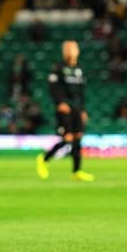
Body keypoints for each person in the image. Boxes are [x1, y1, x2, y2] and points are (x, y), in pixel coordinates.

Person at [36, 40, 94, 182]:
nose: (70, 51)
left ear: (77, 51)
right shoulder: (58, 68)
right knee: (67, 138)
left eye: (73, 48)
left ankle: (77, 171)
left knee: (78, 137)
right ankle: (44, 158)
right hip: (65, 108)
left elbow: (82, 92)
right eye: (68, 48)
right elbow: (53, 87)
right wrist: (60, 102)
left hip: (77, 108)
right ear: (63, 51)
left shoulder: (79, 69)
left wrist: (83, 109)